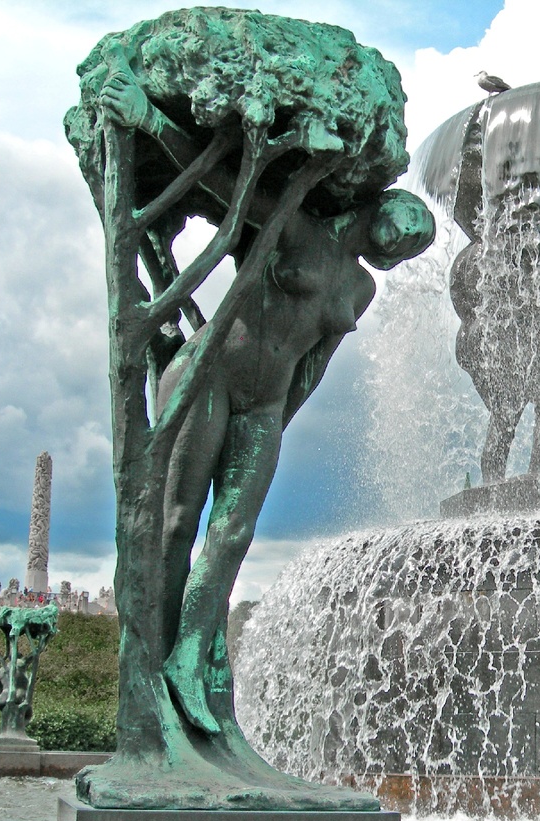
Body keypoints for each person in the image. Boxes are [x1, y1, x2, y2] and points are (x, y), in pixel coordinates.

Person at [101, 70, 435, 734]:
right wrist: (148, 119)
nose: (394, 249)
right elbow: (230, 191)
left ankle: (190, 661)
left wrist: (278, 420)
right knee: (175, 523)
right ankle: (155, 652)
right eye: (396, 231)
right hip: (209, 375)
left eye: (406, 249)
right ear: (375, 210)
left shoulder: (358, 290)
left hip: (265, 404)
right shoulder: (299, 228)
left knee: (235, 531)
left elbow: (315, 364)